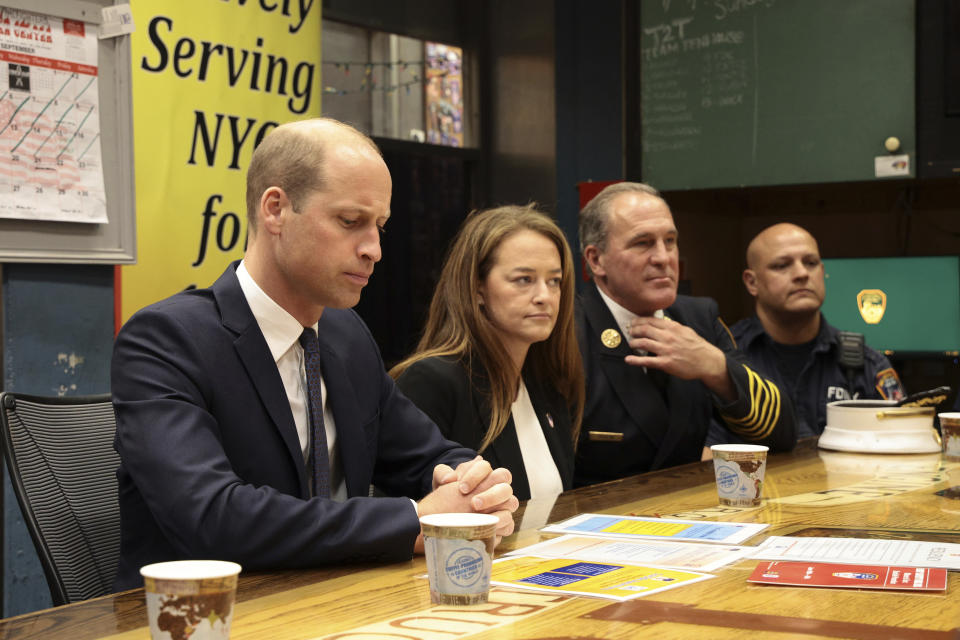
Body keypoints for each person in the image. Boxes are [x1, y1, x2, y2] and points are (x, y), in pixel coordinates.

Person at [111, 118, 518, 590]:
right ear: (276, 210)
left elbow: (426, 454)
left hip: (336, 601)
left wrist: (474, 490)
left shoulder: (344, 334)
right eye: (350, 222)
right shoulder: (166, 339)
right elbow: (213, 518)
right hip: (201, 616)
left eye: (380, 227)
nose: (374, 250)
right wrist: (415, 520)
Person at [575, 182, 796, 486]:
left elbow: (781, 432)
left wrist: (715, 366)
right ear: (596, 260)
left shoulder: (697, 318)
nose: (664, 257)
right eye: (643, 243)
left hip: (690, 515)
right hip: (596, 522)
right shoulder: (568, 330)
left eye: (670, 241)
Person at [391, 205, 584, 502]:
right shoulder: (433, 381)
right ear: (478, 288)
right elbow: (401, 511)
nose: (544, 296)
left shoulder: (548, 384)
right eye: (524, 279)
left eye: (554, 281)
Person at [713, 222, 904, 443]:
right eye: (782, 265)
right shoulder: (726, 358)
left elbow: (904, 441)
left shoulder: (866, 363)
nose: (802, 273)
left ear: (822, 272)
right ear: (752, 282)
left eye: (811, 263)